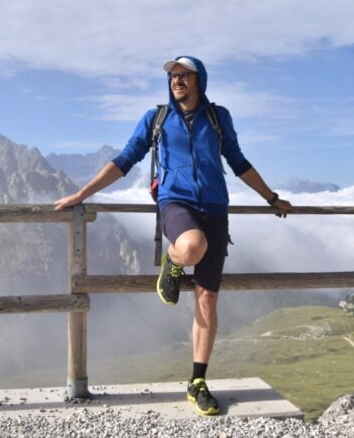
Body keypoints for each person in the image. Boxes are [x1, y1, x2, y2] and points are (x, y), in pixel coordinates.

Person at [54, 55, 294, 415]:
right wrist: (81, 195)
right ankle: (175, 258)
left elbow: (238, 161)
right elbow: (125, 159)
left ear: (200, 81)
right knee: (192, 245)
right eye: (173, 75)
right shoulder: (157, 118)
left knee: (208, 299)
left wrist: (272, 198)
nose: (177, 80)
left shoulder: (218, 117)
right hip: (175, 203)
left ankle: (197, 381)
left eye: (184, 75)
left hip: (215, 208)